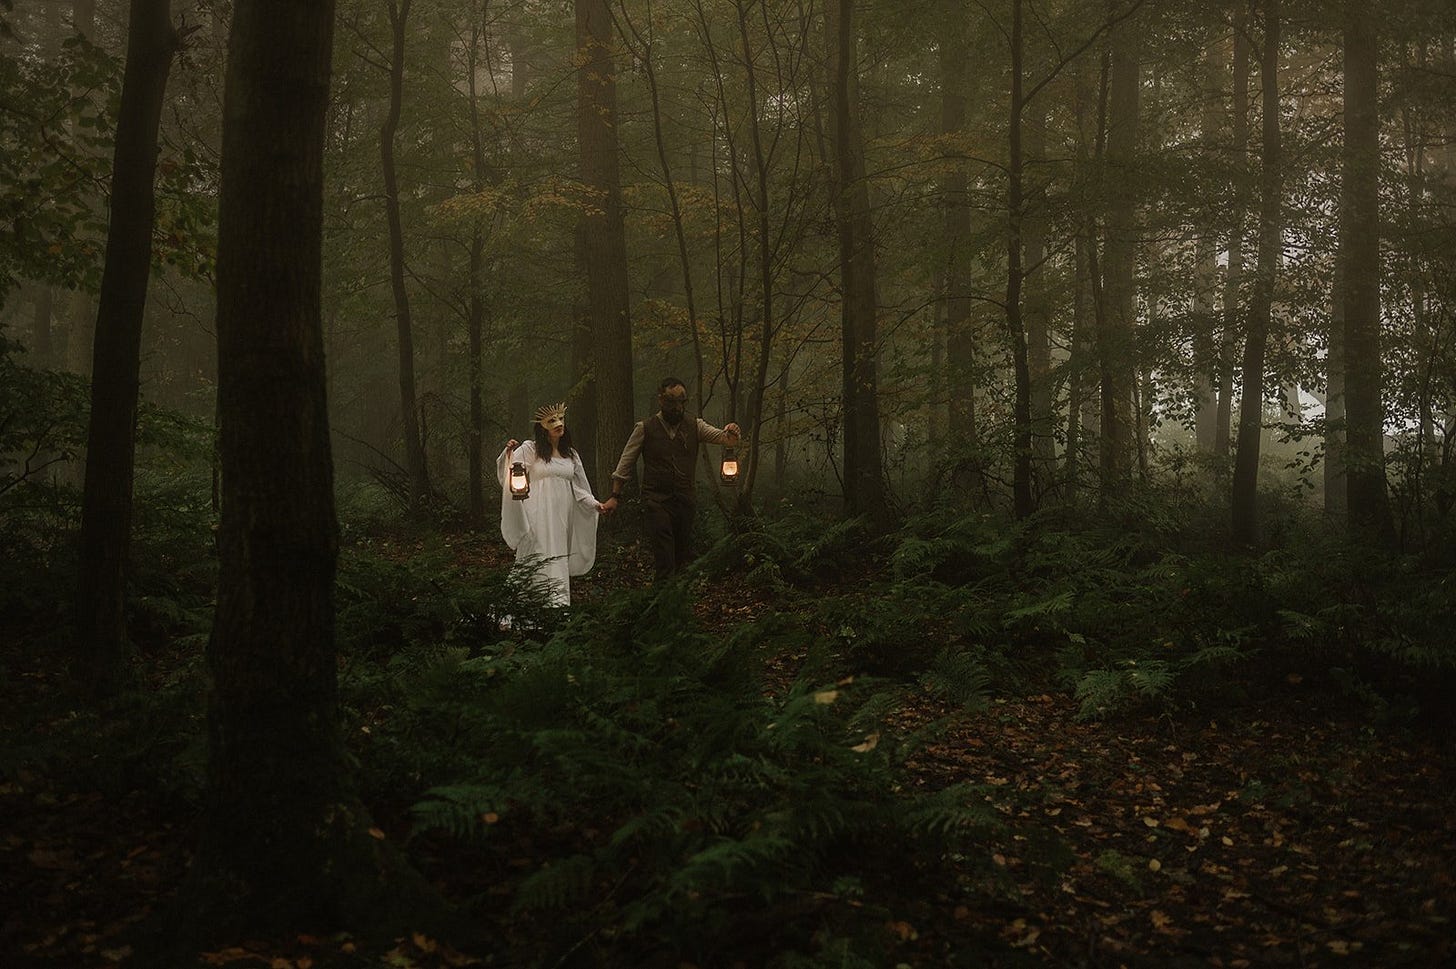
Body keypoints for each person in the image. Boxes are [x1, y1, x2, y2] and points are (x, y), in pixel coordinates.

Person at [600, 377, 740, 579]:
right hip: (656, 500)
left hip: (684, 500)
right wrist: (615, 495)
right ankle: (662, 600)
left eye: (682, 402)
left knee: (681, 554)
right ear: (661, 400)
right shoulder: (645, 428)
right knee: (664, 553)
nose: (677, 407)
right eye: (672, 401)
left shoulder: (695, 426)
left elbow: (724, 438)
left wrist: (732, 433)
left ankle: (677, 601)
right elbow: (625, 463)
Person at [497, 402, 606, 607]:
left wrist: (595, 504)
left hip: (563, 515)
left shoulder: (571, 454)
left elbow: (580, 487)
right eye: (552, 421)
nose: (558, 424)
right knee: (536, 552)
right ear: (542, 426)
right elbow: (512, 474)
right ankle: (525, 606)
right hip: (537, 512)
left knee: (557, 554)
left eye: (561, 419)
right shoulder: (531, 449)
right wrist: (509, 453)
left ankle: (557, 604)